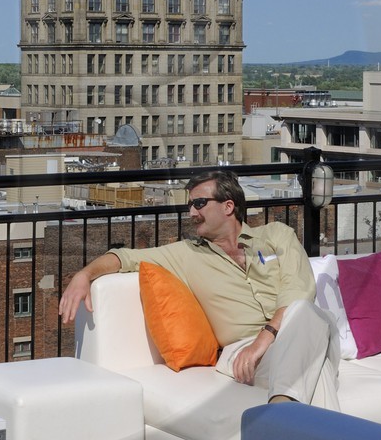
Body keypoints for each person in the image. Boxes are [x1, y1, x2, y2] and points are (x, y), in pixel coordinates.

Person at [59, 169, 339, 407]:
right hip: (240, 352)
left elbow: (298, 291)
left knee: (305, 313)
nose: (191, 212)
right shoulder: (186, 254)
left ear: (228, 206)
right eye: (190, 205)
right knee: (317, 365)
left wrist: (262, 342)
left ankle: (280, 418)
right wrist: (84, 274)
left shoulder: (277, 234)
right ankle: (301, 431)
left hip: (287, 335)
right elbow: (126, 258)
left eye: (200, 203)